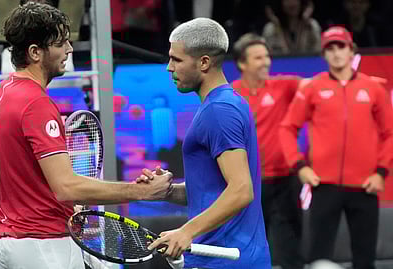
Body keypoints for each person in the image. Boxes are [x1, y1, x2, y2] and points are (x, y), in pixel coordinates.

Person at [0, 3, 173, 269]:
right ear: (35, 52)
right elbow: (66, 187)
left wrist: (46, 202)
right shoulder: (36, 103)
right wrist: (142, 192)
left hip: (5, 247)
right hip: (44, 244)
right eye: (60, 43)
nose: (69, 49)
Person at [140, 18, 271, 268]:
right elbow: (214, 190)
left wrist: (186, 232)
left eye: (176, 60)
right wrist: (167, 191)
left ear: (203, 62)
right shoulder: (225, 104)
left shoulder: (219, 110)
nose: (169, 67)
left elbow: (242, 190)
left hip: (225, 261)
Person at [279, 26, 393, 269]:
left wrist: (381, 172)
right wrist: (299, 167)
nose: (336, 52)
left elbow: (389, 133)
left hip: (365, 186)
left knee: (365, 260)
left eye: (341, 46)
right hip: (324, 186)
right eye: (330, 48)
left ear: (352, 50)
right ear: (324, 54)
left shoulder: (373, 88)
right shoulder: (313, 88)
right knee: (319, 259)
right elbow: (287, 128)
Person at [231, 32, 305, 269]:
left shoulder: (283, 86)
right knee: (247, 245)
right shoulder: (231, 95)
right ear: (242, 63)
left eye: (266, 56)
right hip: (248, 184)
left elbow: (315, 85)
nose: (266, 62)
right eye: (258, 58)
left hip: (285, 181)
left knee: (290, 244)